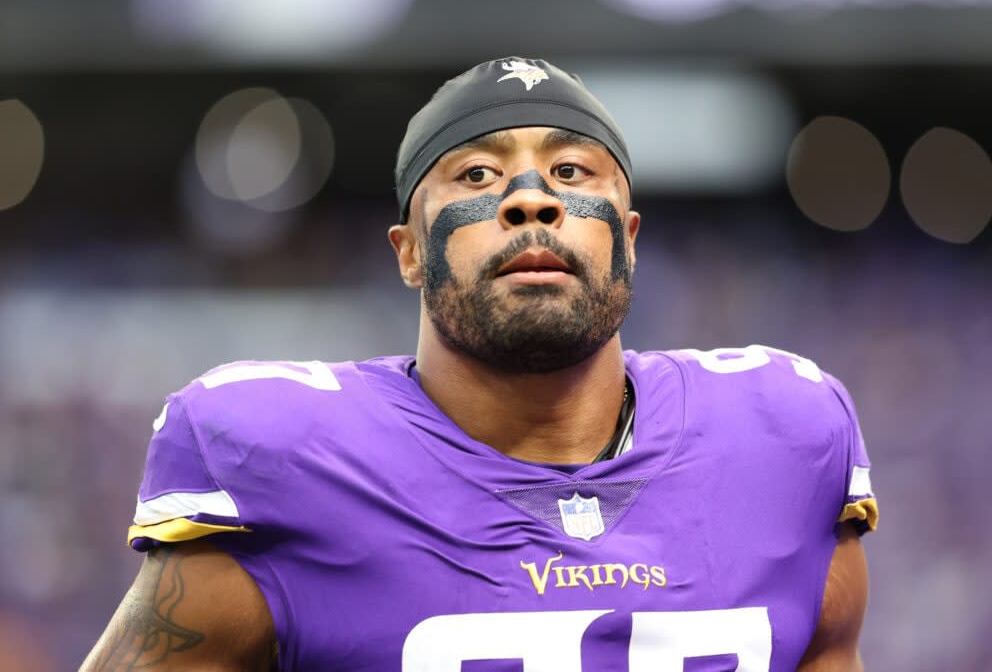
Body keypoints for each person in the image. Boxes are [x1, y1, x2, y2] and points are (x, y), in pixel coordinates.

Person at [81, 57, 878, 671]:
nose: (530, 198)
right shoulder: (281, 456)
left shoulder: (786, 435)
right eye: (476, 175)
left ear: (628, 239)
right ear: (408, 253)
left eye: (571, 172)